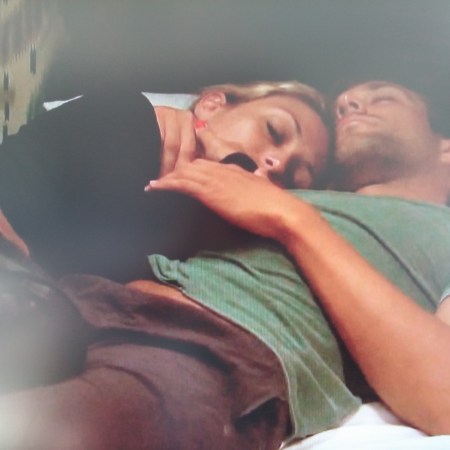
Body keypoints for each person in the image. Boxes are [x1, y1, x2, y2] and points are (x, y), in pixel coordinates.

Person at [144, 80, 450, 440]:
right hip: (113, 299)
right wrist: (164, 131)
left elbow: (444, 399)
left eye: (384, 97)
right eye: (343, 106)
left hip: (201, 355)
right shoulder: (279, 187)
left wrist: (293, 219)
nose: (347, 102)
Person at [0, 80, 330, 282]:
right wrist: (235, 163)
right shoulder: (129, 120)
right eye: (274, 131)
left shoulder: (225, 245)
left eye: (294, 177)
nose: (277, 163)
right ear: (211, 105)